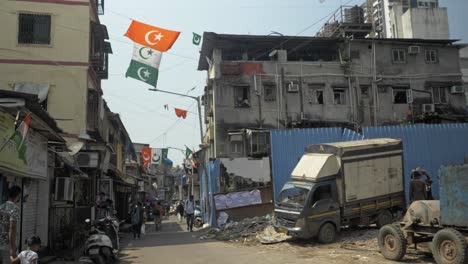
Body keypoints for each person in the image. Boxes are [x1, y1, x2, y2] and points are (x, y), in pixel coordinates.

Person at [0, 185, 22, 264]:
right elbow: (12, 227)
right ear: (18, 195)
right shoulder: (14, 209)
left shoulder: (1, 207)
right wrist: (12, 246)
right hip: (7, 245)